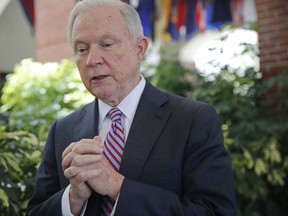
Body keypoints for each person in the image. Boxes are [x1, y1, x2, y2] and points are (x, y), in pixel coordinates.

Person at [26, 0, 237, 215]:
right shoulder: (62, 130)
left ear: (139, 49)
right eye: (82, 49)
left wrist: (117, 186)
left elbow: (215, 211)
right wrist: (72, 199)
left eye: (107, 44)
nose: (92, 59)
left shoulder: (192, 120)